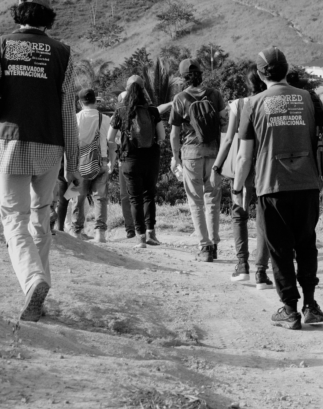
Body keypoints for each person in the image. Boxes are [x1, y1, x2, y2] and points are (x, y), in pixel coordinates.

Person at [0, 0, 80, 322]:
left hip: (11, 141)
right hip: (50, 147)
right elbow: (67, 111)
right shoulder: (63, 53)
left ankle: (34, 281)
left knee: (13, 219)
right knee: (39, 217)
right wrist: (72, 163)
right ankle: (39, 294)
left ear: (18, 15)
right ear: (48, 17)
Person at [234, 46, 323, 330]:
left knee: (279, 249)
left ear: (259, 73)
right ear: (287, 69)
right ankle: (311, 305)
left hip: (271, 186)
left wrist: (238, 187)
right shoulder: (309, 98)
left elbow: (244, 156)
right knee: (306, 245)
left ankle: (289, 309)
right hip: (307, 185)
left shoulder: (252, 104)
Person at [211, 70, 274, 289]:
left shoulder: (238, 104)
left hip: (243, 168)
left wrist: (217, 166)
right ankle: (261, 273)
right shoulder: (270, 101)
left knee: (239, 215)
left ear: (247, 85)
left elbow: (229, 139)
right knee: (264, 220)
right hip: (267, 168)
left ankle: (242, 266)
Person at [170, 59, 227, 262]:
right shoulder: (215, 95)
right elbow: (224, 124)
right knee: (213, 199)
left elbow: (174, 134)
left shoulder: (180, 98)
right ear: (201, 74)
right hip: (214, 153)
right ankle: (214, 244)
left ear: (183, 77)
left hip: (191, 154)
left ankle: (204, 247)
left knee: (196, 201)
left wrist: (175, 157)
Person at [109, 76, 165, 248]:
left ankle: (140, 237)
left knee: (135, 199)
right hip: (150, 159)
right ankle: (151, 233)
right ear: (143, 90)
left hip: (130, 159)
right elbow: (161, 137)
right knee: (149, 195)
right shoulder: (153, 111)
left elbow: (109, 137)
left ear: (126, 89)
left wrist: (123, 142)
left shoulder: (121, 111)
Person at [72, 88, 112, 242]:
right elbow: (116, 140)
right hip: (100, 162)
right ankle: (100, 233)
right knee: (100, 198)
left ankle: (77, 232)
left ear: (80, 102)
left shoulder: (75, 118)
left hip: (79, 164)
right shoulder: (105, 119)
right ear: (95, 100)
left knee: (78, 197)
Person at [112, 91, 136, 239]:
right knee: (140, 194)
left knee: (125, 196)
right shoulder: (144, 111)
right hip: (142, 159)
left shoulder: (119, 115)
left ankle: (130, 228)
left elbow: (112, 139)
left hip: (125, 159)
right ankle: (143, 227)